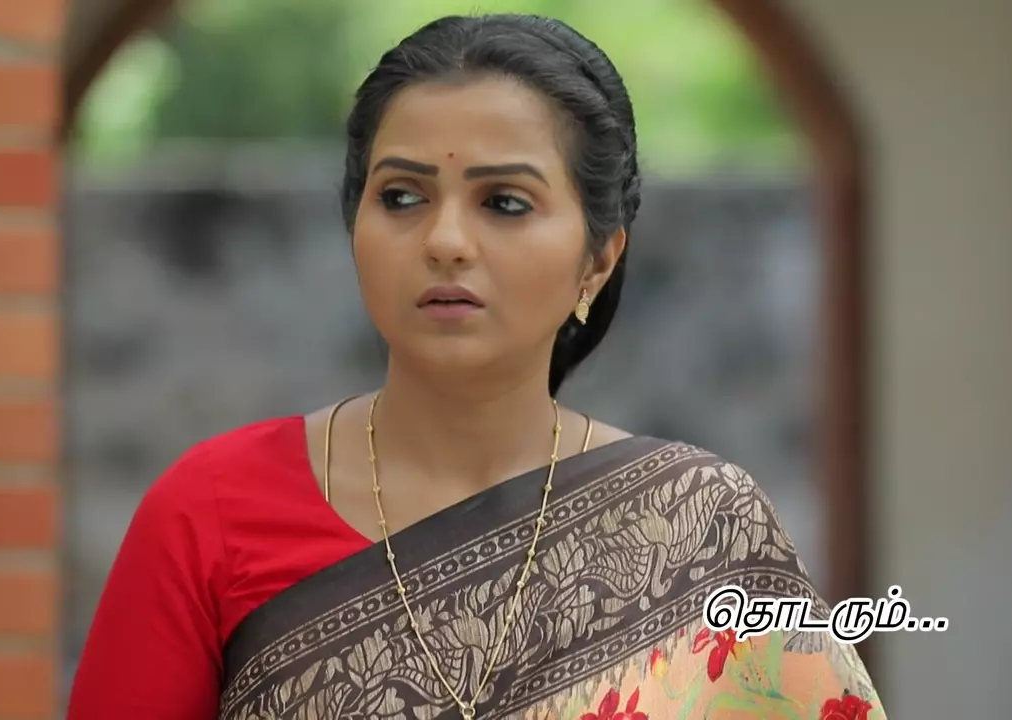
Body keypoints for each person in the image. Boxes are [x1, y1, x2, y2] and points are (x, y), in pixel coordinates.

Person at [67, 13, 885, 720]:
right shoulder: (210, 514)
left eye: (504, 203)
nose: (446, 240)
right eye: (402, 196)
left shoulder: (700, 526)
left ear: (599, 259)